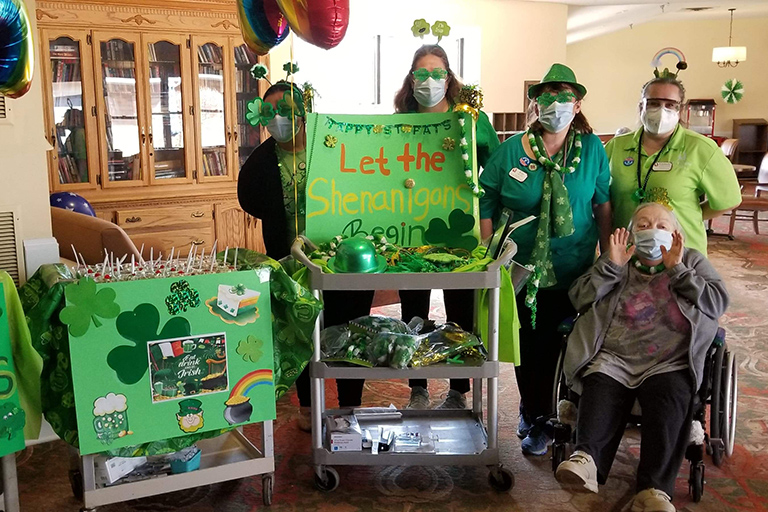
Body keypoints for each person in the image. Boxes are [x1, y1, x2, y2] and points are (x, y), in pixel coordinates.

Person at [555, 202, 729, 512]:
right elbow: (578, 297)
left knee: (671, 395)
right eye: (645, 224)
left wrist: (678, 270)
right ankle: (586, 460)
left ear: (676, 234)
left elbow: (717, 303)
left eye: (662, 226)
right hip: (614, 355)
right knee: (599, 383)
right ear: (633, 233)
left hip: (670, 358)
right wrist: (611, 265)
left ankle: (654, 490)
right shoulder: (619, 260)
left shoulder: (692, 261)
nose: (653, 231)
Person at [479, 63, 611, 455]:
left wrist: (610, 257)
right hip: (521, 269)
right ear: (535, 104)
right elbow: (486, 199)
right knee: (529, 347)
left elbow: (602, 202)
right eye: (547, 96)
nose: (555, 104)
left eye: (564, 97)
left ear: (578, 103)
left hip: (575, 268)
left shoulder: (591, 150)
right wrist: (491, 252)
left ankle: (560, 412)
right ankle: (535, 415)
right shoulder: (509, 151)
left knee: (565, 347)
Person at [238, 81, 373, 431]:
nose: (278, 119)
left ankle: (350, 405)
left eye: (287, 110)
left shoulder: (329, 148)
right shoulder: (263, 160)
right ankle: (309, 407)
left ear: (304, 112)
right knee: (301, 332)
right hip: (291, 263)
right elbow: (249, 200)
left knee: (349, 330)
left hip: (343, 261)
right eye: (270, 112)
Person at [393, 44, 501, 410]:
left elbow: (496, 169)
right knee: (413, 309)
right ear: (411, 79)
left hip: (461, 228)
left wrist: (482, 206)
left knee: (461, 308)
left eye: (436, 73)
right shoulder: (400, 121)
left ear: (449, 77)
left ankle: (458, 389)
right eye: (421, 73)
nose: (429, 81)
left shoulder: (471, 119)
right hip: (412, 227)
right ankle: (417, 388)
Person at [606, 73, 741, 255]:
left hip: (680, 253)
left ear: (680, 110)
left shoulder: (701, 148)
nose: (662, 110)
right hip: (628, 252)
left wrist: (688, 215)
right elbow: (601, 197)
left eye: (670, 105)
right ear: (641, 107)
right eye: (653, 103)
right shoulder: (617, 146)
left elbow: (729, 199)